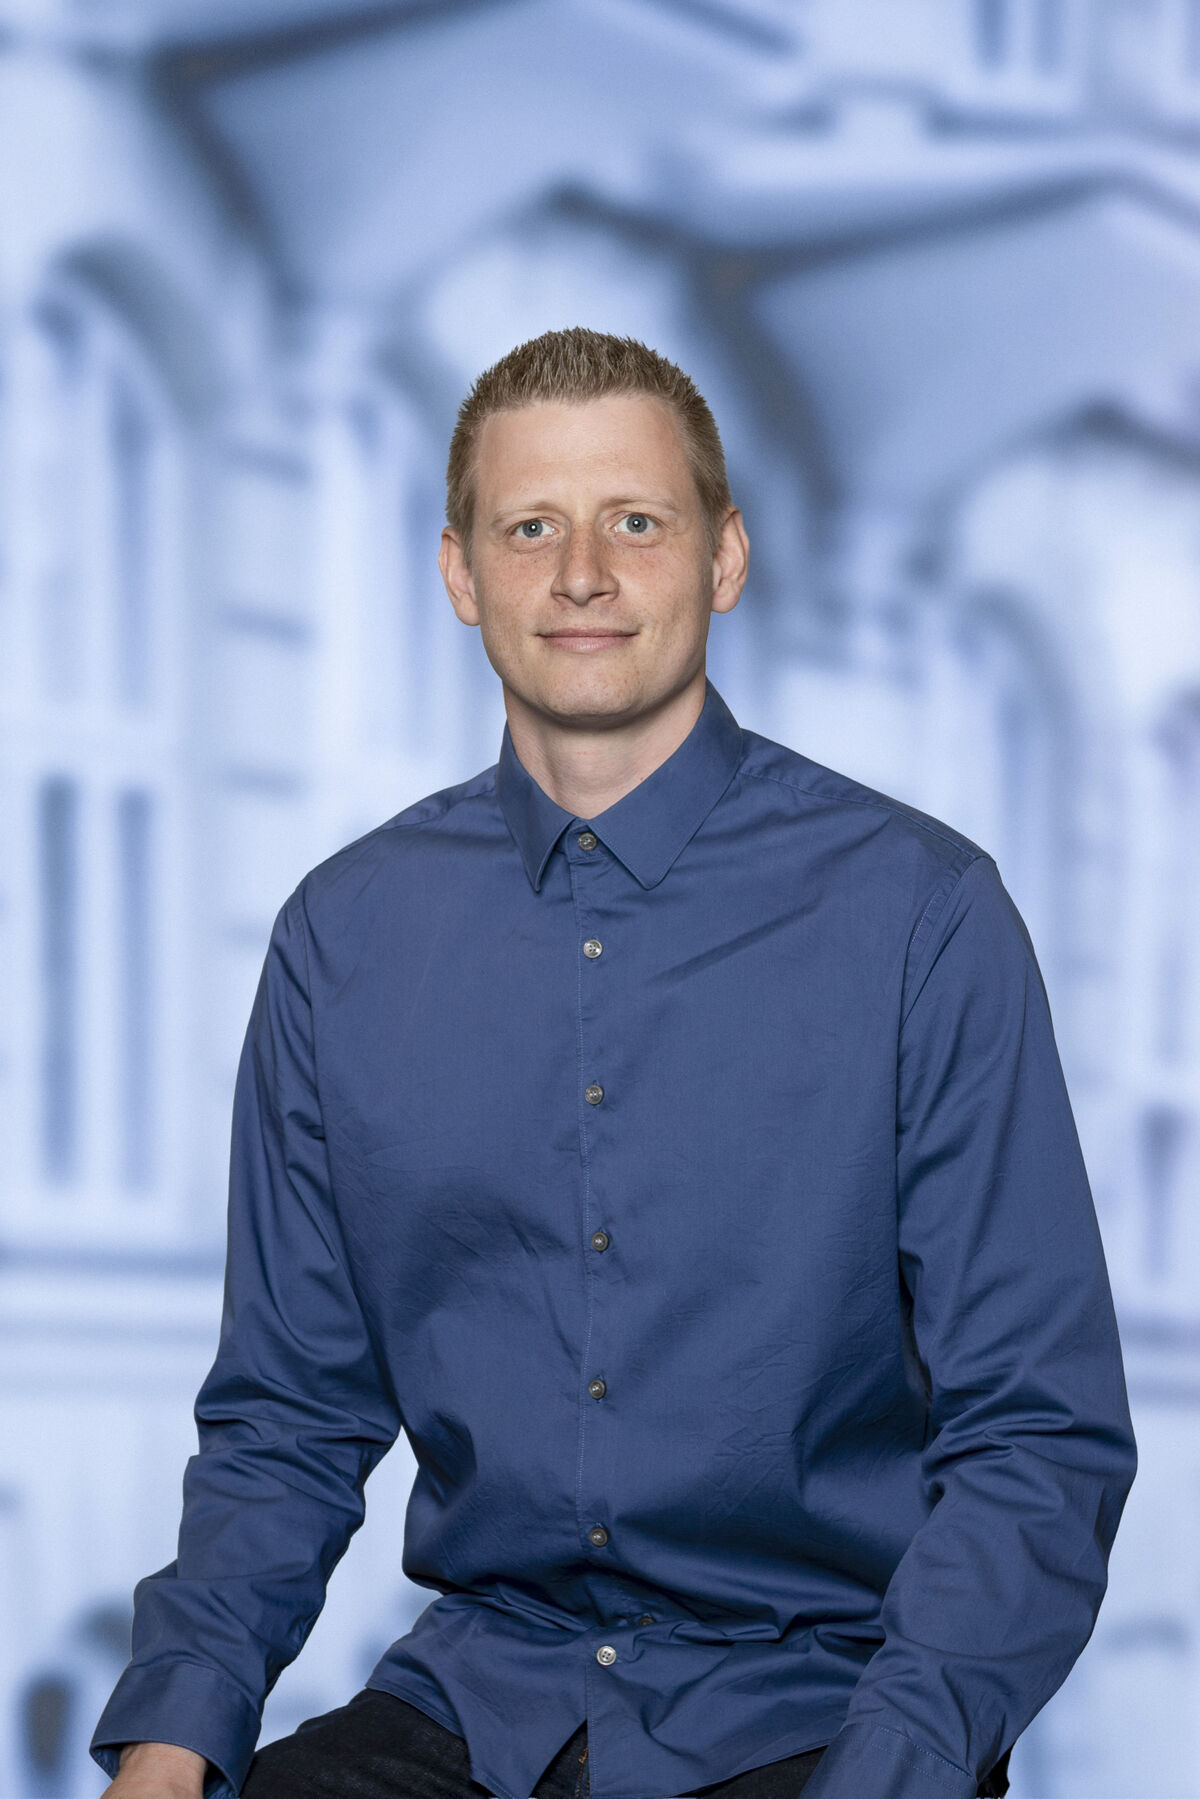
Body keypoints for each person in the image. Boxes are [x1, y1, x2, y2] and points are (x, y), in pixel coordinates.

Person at [91, 327, 1136, 1799]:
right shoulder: (344, 937)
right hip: (479, 1701)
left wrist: (896, 1766)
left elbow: (1038, 1435)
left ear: (725, 558)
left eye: (635, 521)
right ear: (461, 573)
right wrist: (172, 1738)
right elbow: (289, 1413)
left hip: (823, 1711)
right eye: (532, 527)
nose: (582, 573)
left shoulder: (922, 917)